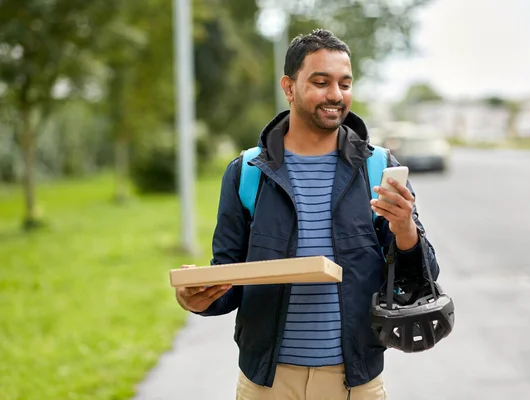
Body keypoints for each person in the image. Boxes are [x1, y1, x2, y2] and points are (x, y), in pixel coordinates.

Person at [175, 28, 440, 400]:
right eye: (321, 82)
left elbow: (418, 278)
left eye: (344, 83)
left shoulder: (377, 167)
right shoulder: (247, 171)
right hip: (267, 382)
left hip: (356, 381)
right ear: (289, 87)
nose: (336, 95)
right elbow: (230, 274)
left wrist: (404, 227)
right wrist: (199, 298)